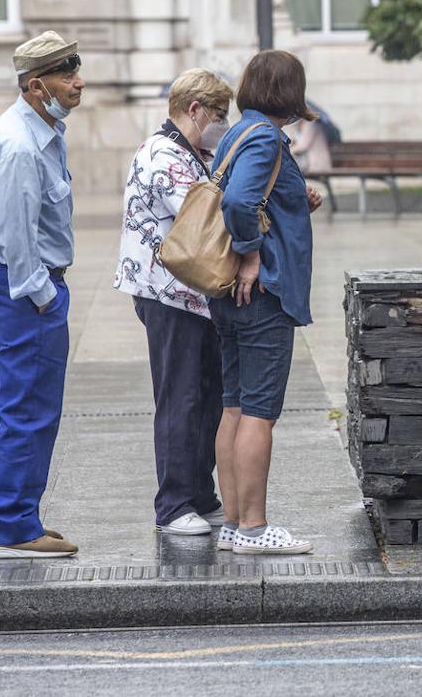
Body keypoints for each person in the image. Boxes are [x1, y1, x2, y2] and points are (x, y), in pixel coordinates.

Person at [0, 31, 85, 559]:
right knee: (31, 407)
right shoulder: (20, 145)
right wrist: (46, 298)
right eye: (66, 75)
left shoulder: (41, 125)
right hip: (23, 286)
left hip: (14, 280)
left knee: (18, 401)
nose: (78, 82)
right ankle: (13, 529)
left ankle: (5, 512)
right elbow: (19, 241)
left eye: (76, 69)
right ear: (36, 86)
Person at [211, 50, 325, 555]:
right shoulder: (263, 137)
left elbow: (251, 197)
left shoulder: (238, 132)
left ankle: (233, 524)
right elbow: (238, 203)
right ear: (290, 92)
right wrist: (251, 254)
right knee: (259, 411)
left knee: (234, 406)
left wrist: (296, 202)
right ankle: (255, 528)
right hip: (263, 291)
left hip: (231, 295)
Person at [114, 68, 234, 536]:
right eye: (219, 114)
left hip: (193, 296)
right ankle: (173, 504)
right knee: (180, 396)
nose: (222, 123)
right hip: (168, 296)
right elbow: (207, 215)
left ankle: (200, 495)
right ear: (195, 109)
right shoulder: (163, 155)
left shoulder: (191, 153)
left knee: (206, 396)